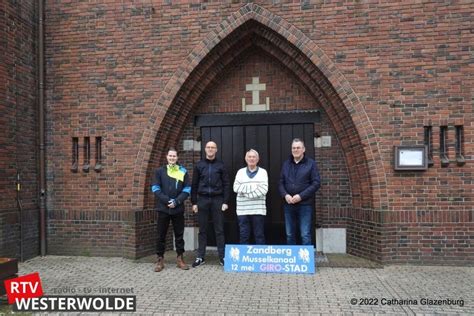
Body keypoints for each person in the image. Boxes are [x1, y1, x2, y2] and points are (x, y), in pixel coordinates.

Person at [151, 148, 191, 272]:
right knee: (160, 235)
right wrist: (167, 200)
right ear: (166, 157)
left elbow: (187, 189)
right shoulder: (159, 171)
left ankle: (180, 259)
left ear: (177, 157)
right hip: (163, 208)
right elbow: (155, 188)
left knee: (179, 235)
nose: (172, 158)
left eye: (174, 156)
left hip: (178, 208)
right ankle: (160, 259)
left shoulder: (183, 171)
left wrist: (176, 201)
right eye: (170, 156)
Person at [191, 141, 230, 267]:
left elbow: (226, 184)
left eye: (213, 147)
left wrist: (225, 201)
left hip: (217, 200)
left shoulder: (221, 165)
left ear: (216, 149)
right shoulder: (199, 165)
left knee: (219, 230)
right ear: (205, 149)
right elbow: (194, 184)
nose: (210, 149)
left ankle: (222, 257)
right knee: (202, 230)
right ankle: (200, 257)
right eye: (208, 147)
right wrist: (194, 202)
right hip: (202, 200)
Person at [279, 138, 321, 245]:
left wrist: (301, 196)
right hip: (288, 204)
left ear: (303, 149)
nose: (295, 150)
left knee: (305, 234)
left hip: (305, 204)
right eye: (293, 148)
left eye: (298, 148)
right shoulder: (286, 164)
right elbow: (280, 183)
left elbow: (316, 183)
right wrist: (285, 195)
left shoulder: (311, 164)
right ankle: (292, 260)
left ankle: (306, 261)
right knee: (289, 234)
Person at [233, 149, 268, 245]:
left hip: (258, 210)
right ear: (246, 158)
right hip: (242, 210)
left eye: (254, 157)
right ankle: (244, 259)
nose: (251, 159)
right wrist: (254, 188)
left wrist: (245, 192)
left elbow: (264, 190)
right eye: (249, 157)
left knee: (259, 235)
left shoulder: (263, 172)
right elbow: (235, 188)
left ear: (257, 159)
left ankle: (261, 259)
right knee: (244, 235)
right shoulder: (240, 172)